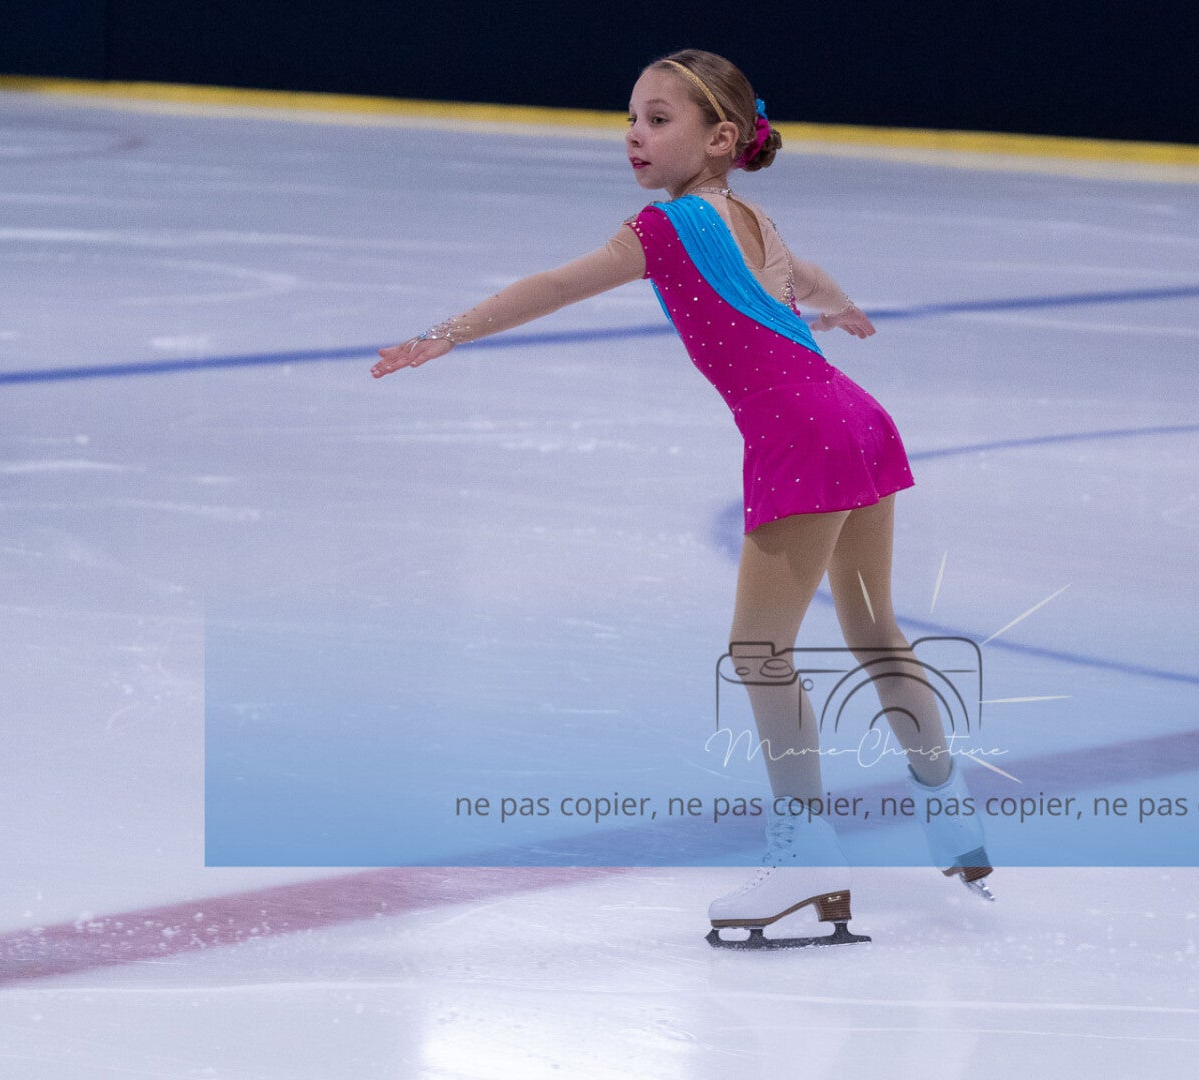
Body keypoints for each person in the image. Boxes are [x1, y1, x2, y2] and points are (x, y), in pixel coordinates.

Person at [372, 48, 991, 949]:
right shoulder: (751, 216)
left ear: (721, 138)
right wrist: (842, 307)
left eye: (658, 120)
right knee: (873, 630)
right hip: (857, 419)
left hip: (803, 439)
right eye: (630, 118)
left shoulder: (663, 229)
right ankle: (952, 813)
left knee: (759, 652)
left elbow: (557, 285)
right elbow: (807, 274)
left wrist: (448, 332)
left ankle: (805, 853)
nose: (635, 134)